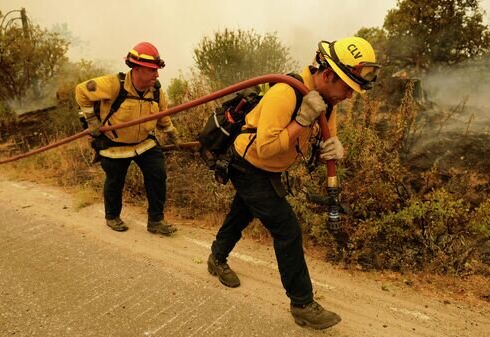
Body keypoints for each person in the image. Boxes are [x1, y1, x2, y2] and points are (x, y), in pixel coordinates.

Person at [207, 37, 380, 329]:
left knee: (242, 213)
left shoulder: (327, 101)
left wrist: (337, 148)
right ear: (327, 75)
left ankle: (216, 257)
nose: (349, 96)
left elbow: (329, 137)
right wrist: (301, 120)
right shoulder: (285, 94)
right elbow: (265, 148)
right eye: (347, 89)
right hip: (247, 165)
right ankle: (302, 304)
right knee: (287, 229)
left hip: (267, 168)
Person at [75, 42, 179, 235]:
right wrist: (91, 120)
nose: (157, 75)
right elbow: (81, 91)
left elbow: (162, 113)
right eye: (153, 70)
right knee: (115, 181)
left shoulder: (155, 90)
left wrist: (171, 132)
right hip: (115, 145)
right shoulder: (114, 84)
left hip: (144, 143)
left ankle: (156, 220)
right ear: (137, 69)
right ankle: (112, 216)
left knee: (158, 175)